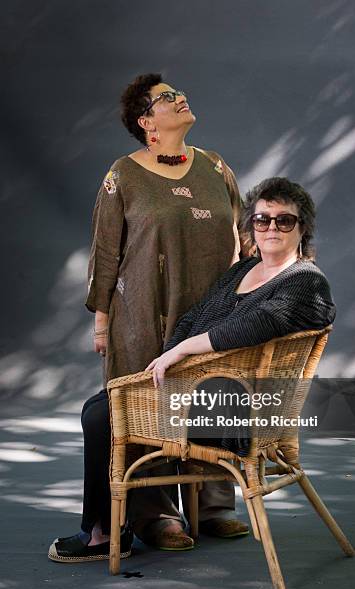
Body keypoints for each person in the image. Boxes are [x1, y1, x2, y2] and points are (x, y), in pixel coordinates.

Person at [48, 73, 247, 564]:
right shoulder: (124, 174)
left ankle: (212, 501)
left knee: (211, 395)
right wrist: (101, 321)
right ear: (145, 122)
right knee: (143, 411)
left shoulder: (215, 166)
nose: (180, 98)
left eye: (180, 92)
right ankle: (156, 514)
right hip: (141, 315)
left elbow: (242, 236)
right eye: (166, 98)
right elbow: (105, 252)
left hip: (209, 313)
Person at [146, 177, 336, 455]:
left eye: (284, 220)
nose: (272, 227)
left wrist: (182, 350)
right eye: (262, 220)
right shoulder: (242, 269)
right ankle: (150, 500)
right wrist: (170, 365)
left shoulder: (306, 280)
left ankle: (139, 499)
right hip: (193, 392)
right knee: (100, 408)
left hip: (239, 414)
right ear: (253, 226)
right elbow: (192, 317)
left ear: (302, 228)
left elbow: (257, 324)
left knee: (103, 415)